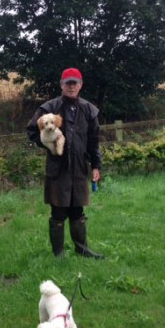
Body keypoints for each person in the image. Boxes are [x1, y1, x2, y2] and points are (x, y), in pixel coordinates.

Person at [27, 68, 104, 259]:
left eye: (75, 83)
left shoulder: (89, 110)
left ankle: (81, 248)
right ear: (61, 85)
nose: (71, 86)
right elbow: (32, 130)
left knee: (78, 209)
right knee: (59, 211)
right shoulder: (49, 108)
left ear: (80, 85)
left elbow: (94, 140)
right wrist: (47, 142)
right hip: (58, 168)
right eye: (68, 83)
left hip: (79, 167)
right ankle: (58, 253)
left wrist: (96, 165)